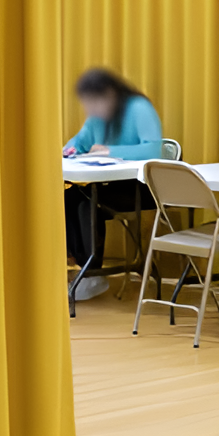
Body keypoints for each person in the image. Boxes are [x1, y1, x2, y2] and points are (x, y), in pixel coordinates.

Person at [63, 68, 165, 301]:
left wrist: (111, 151)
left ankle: (93, 272)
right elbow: (81, 140)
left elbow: (153, 149)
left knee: (88, 203)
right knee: (70, 198)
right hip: (112, 185)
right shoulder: (98, 116)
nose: (91, 109)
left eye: (93, 102)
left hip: (142, 189)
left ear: (109, 95)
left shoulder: (138, 108)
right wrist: (70, 149)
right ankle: (85, 268)